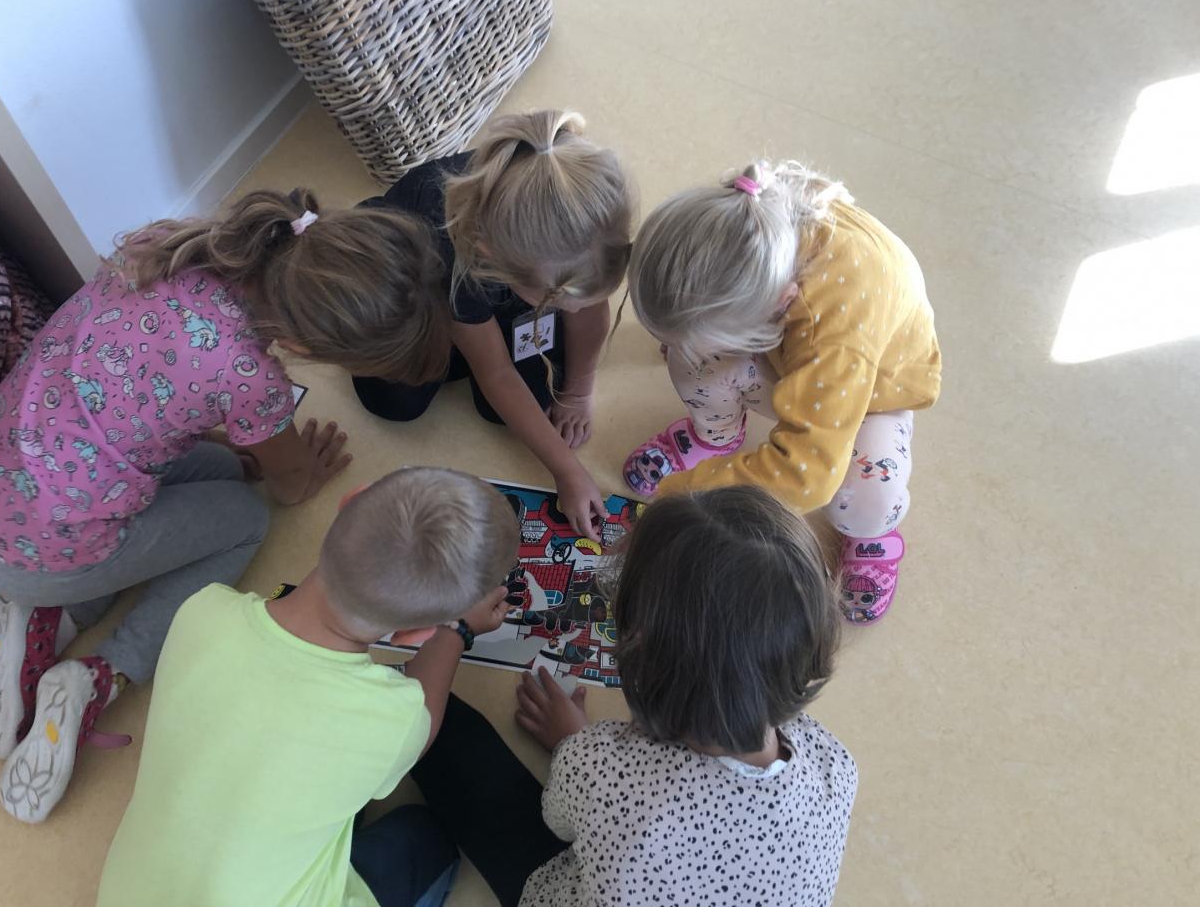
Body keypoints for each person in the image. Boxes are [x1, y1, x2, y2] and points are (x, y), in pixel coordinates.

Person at [0, 189, 450, 822]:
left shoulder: (170, 244)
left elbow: (155, 398)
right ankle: (103, 672)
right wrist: (303, 466)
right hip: (42, 552)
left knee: (223, 470)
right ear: (306, 348)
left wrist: (247, 448)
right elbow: (291, 487)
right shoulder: (254, 380)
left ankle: (39, 621)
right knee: (246, 520)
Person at [407, 486, 856, 907]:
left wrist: (572, 746)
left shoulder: (601, 768)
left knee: (434, 729)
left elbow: (558, 820)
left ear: (639, 652)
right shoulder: (836, 766)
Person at [95, 467, 520, 907]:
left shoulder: (202, 607)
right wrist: (458, 631)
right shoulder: (395, 720)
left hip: (126, 896)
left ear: (347, 501)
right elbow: (422, 728)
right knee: (428, 840)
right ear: (415, 634)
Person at [621, 161, 942, 623]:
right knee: (693, 356)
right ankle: (717, 435)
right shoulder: (750, 216)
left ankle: (873, 536)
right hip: (797, 353)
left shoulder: (835, 333)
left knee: (865, 499)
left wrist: (680, 497)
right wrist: (692, 341)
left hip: (875, 395)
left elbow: (807, 475)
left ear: (781, 303)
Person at [351, 109, 636, 539]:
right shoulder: (449, 255)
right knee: (394, 402)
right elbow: (497, 372)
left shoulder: (584, 230)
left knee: (512, 407)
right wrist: (567, 470)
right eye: (559, 301)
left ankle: (485, 327)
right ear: (494, 259)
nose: (574, 310)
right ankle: (463, 333)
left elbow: (588, 307)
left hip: (500, 279)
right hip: (421, 290)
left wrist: (578, 392)